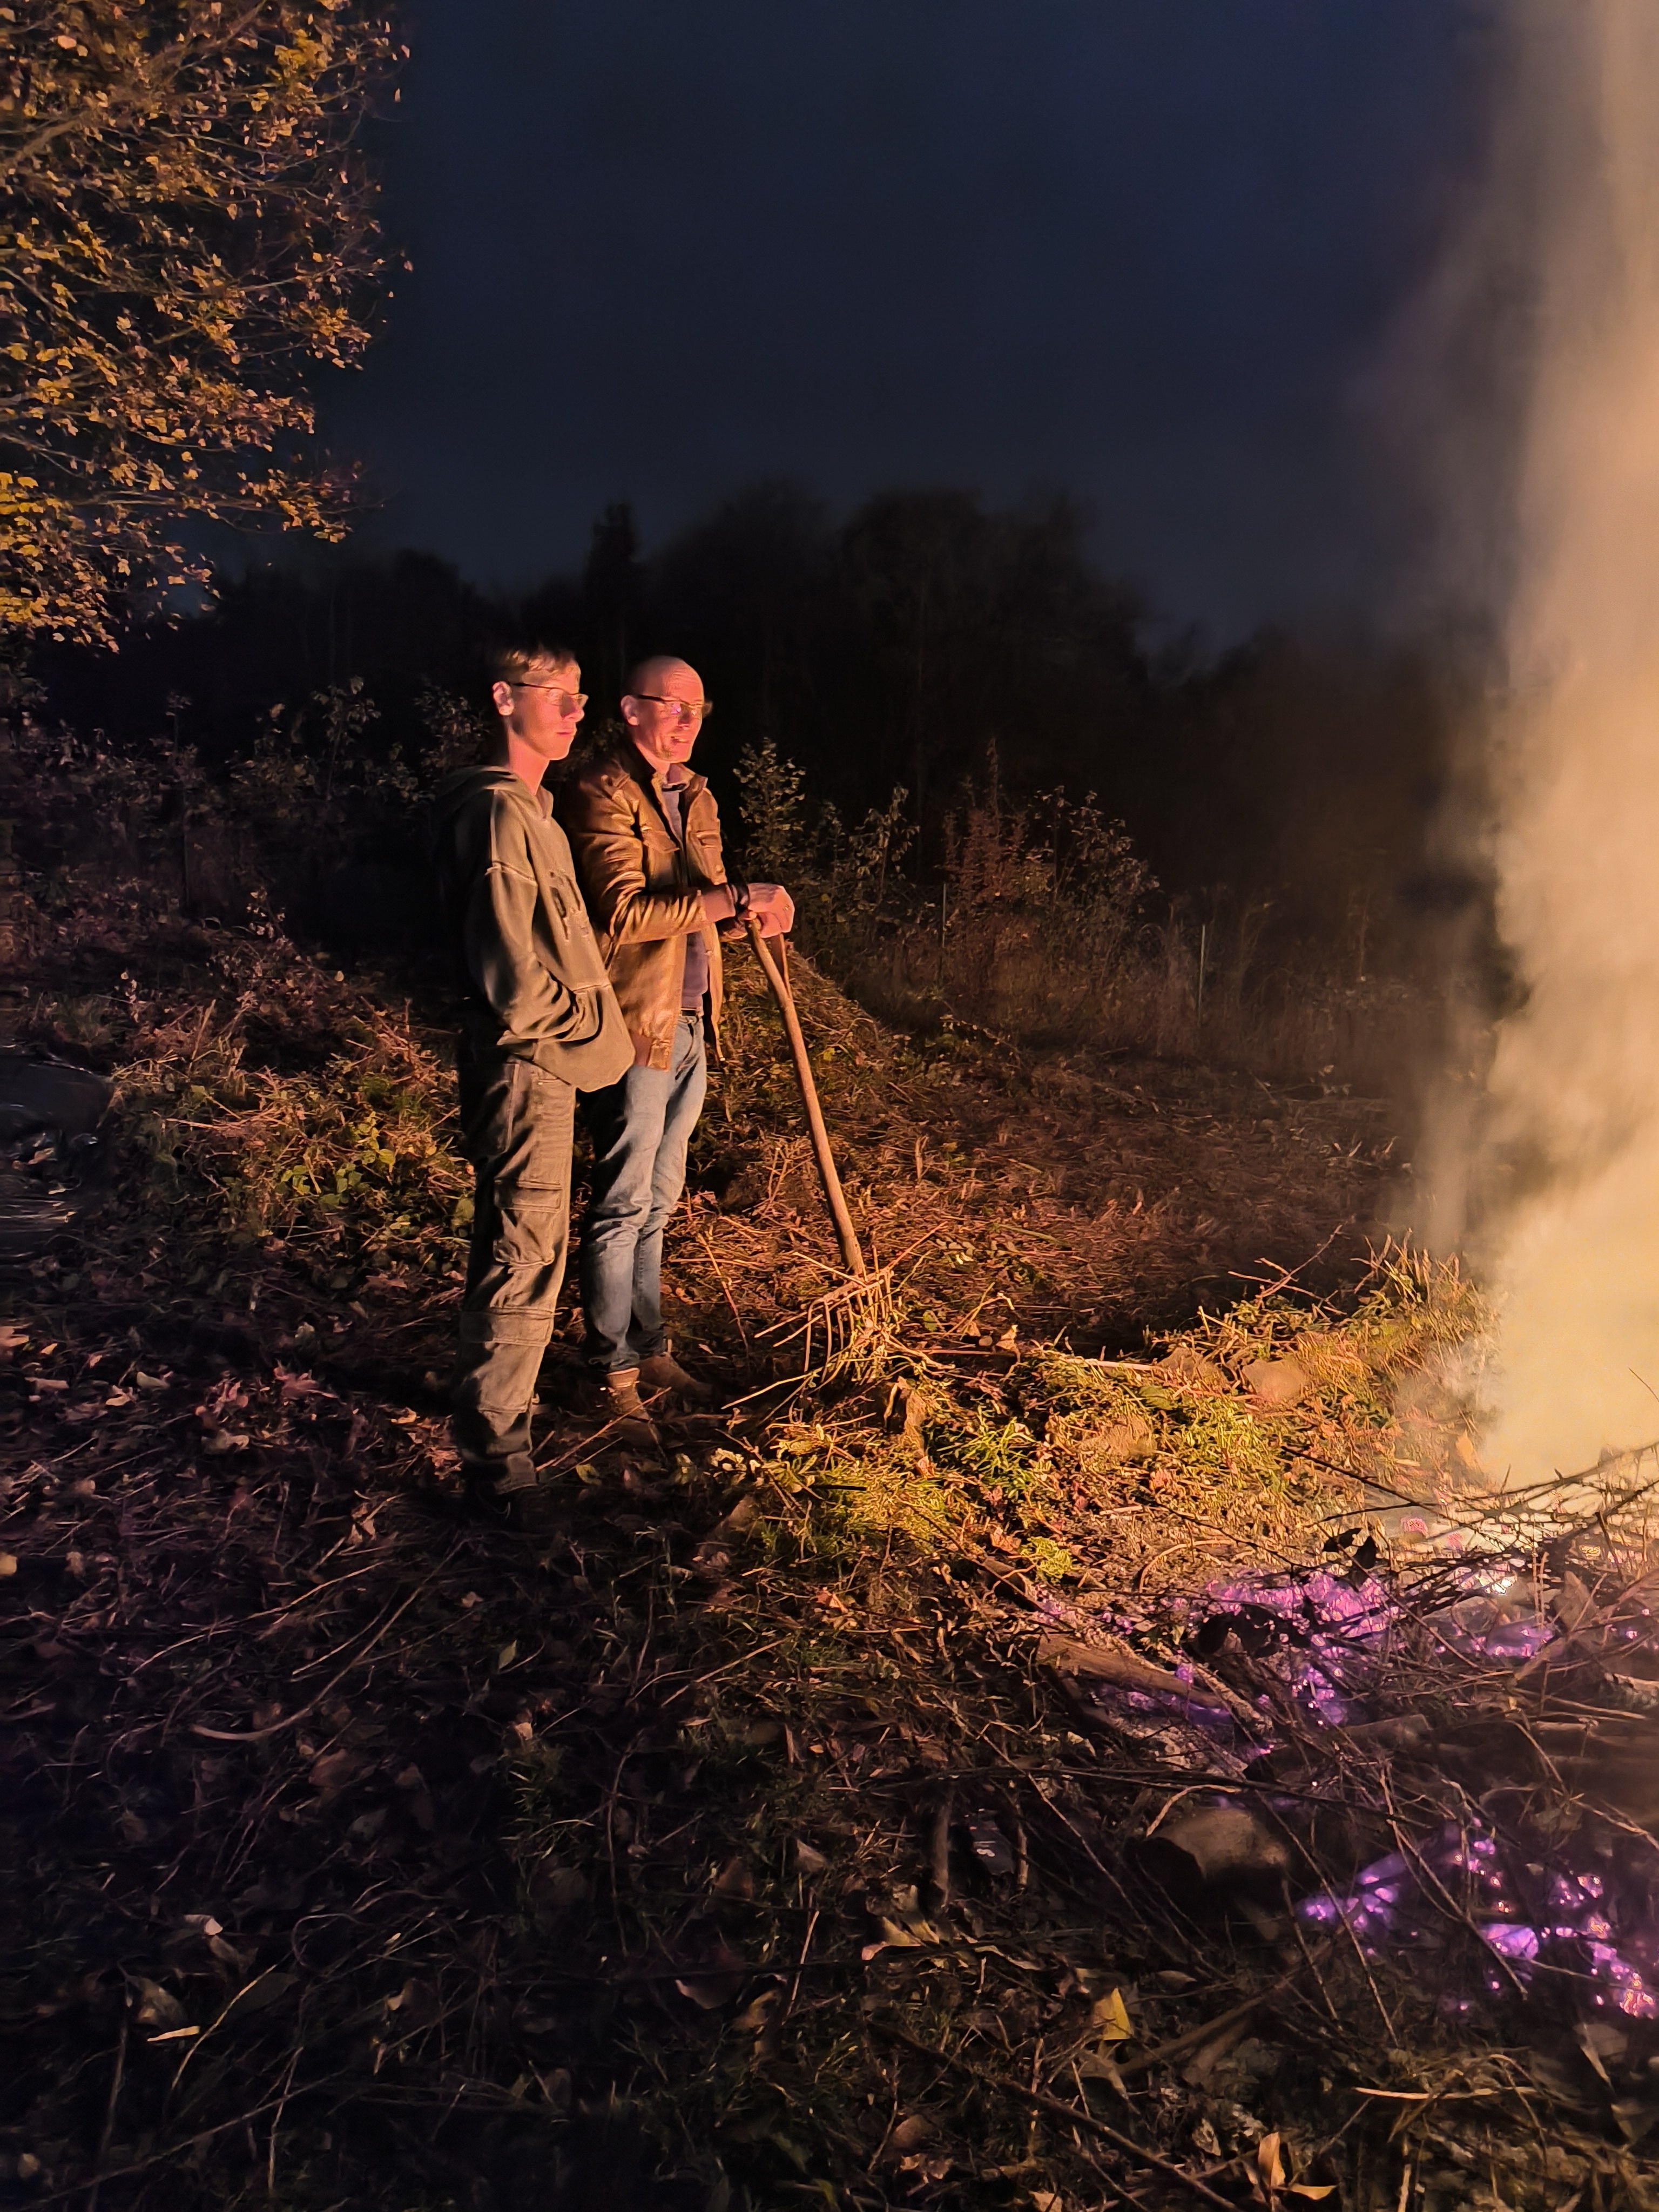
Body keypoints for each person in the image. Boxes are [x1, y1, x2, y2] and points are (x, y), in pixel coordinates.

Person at [559, 656, 793, 1445]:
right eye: (672, 706)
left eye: (698, 708)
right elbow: (622, 916)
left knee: (661, 1199)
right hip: (634, 1024)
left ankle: (650, 1348)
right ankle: (609, 1373)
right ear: (629, 710)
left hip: (692, 1018)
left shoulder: (694, 795)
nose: (687, 722)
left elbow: (700, 910)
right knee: (622, 1202)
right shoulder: (601, 791)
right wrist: (730, 897)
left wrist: (747, 917)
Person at [431, 644, 633, 1525]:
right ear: (505, 698)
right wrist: (582, 1031)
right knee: (523, 1249)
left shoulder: (537, 814)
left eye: (579, 697)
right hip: (528, 1066)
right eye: (555, 694)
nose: (573, 710)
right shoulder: (498, 814)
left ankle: (500, 1413)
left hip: (546, 1064)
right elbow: (511, 977)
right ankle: (497, 1461)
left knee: (528, 1242)